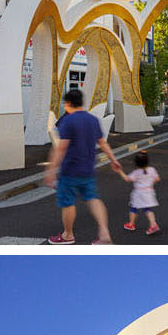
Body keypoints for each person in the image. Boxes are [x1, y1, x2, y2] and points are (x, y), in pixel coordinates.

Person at [45, 85, 126, 245]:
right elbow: (102, 143)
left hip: (70, 170)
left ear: (68, 103)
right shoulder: (92, 120)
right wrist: (113, 159)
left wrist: (51, 170)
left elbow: (61, 148)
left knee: (68, 202)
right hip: (88, 170)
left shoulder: (68, 120)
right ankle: (104, 233)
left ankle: (68, 235)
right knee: (93, 199)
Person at [124, 151, 160, 236]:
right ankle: (153, 224)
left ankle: (131, 224)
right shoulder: (152, 169)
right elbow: (157, 179)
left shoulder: (136, 172)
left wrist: (119, 171)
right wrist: (150, 184)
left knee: (134, 208)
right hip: (149, 191)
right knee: (147, 209)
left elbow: (127, 179)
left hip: (139, 193)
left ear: (136, 163)